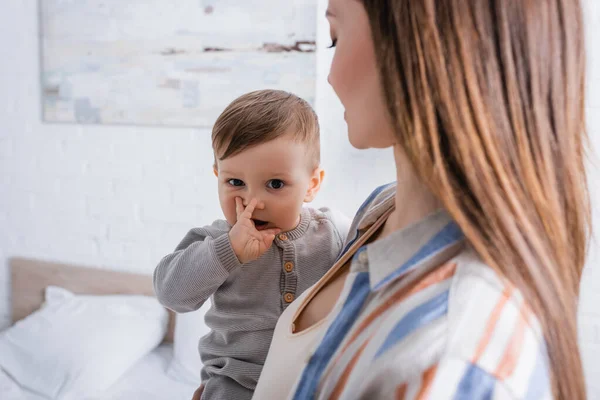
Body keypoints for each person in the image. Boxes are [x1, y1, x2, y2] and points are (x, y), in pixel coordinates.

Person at [253, 0, 590, 399]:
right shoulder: (381, 213)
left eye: (335, 38)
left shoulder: (447, 361)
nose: (329, 76)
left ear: (421, 46)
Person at [153, 89, 351, 400]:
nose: (253, 202)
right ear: (217, 176)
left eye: (275, 184)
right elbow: (171, 294)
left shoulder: (334, 233)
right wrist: (227, 252)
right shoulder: (215, 242)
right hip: (234, 387)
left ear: (311, 184)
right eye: (235, 182)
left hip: (312, 386)